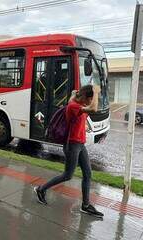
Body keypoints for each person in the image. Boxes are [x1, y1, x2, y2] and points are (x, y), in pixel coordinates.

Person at [34, 84, 104, 218]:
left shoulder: (74, 101)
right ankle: (41, 189)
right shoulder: (74, 106)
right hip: (72, 144)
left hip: (80, 144)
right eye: (90, 99)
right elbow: (93, 108)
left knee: (88, 174)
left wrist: (75, 93)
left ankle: (86, 205)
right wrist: (95, 91)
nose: (91, 101)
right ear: (84, 97)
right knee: (68, 175)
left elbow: (73, 98)